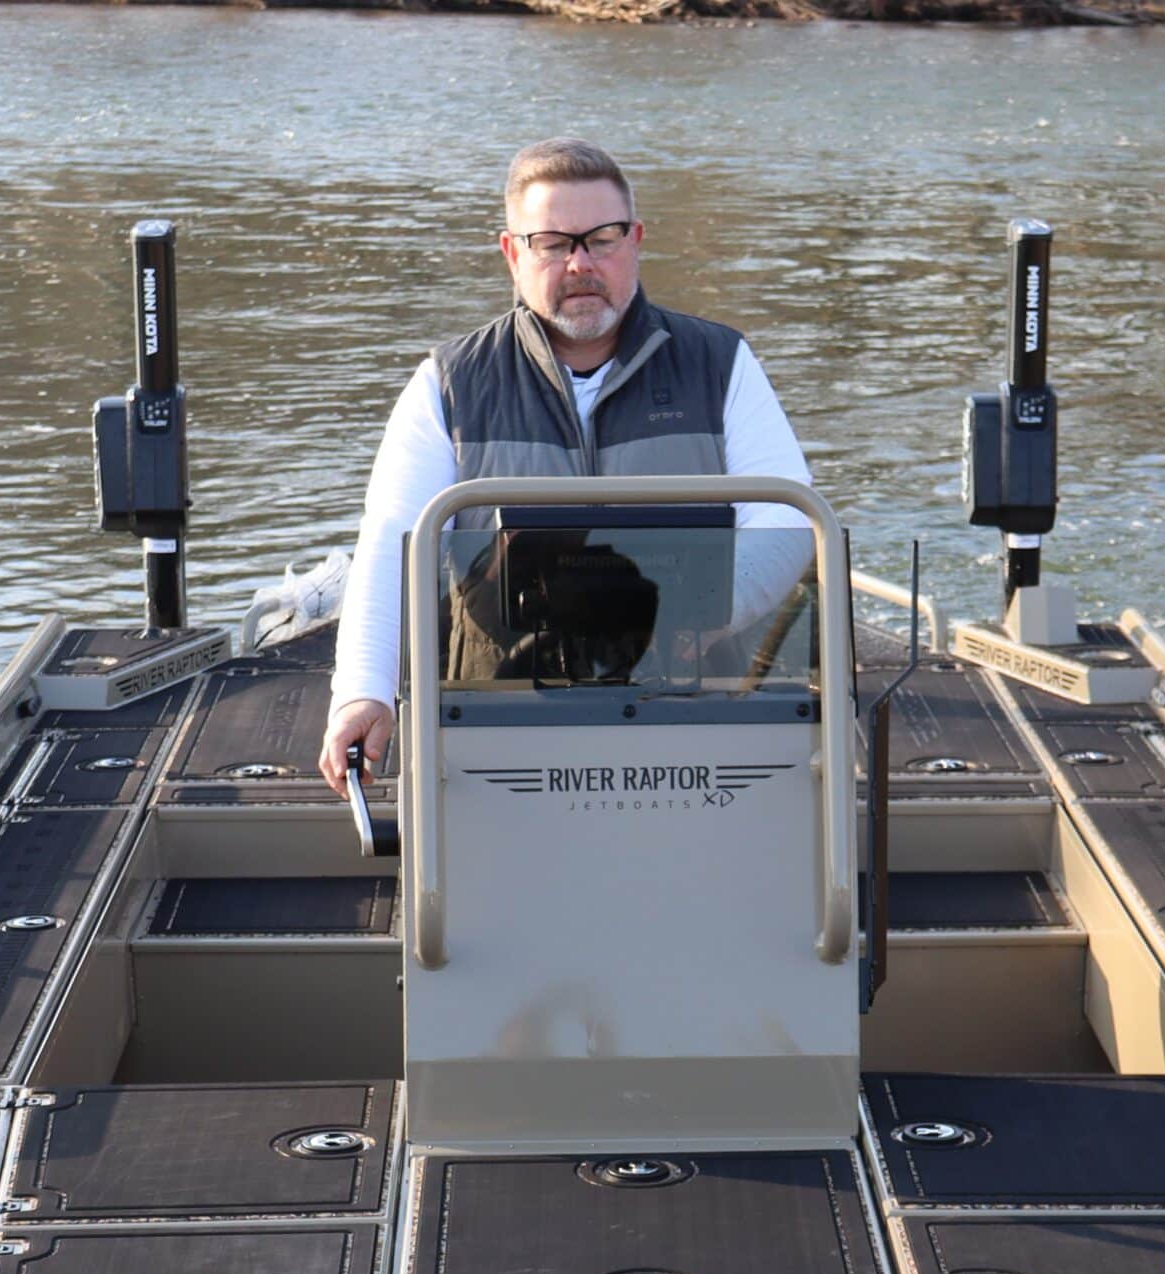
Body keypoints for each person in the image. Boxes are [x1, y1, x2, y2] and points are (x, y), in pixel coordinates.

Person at [317, 137, 814, 795]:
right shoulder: (449, 383)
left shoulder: (721, 364)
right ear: (512, 253)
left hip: (696, 730)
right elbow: (391, 543)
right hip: (498, 727)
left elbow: (789, 516)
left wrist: (695, 611)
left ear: (636, 239)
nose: (580, 264)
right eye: (553, 242)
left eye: (602, 238)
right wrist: (362, 692)